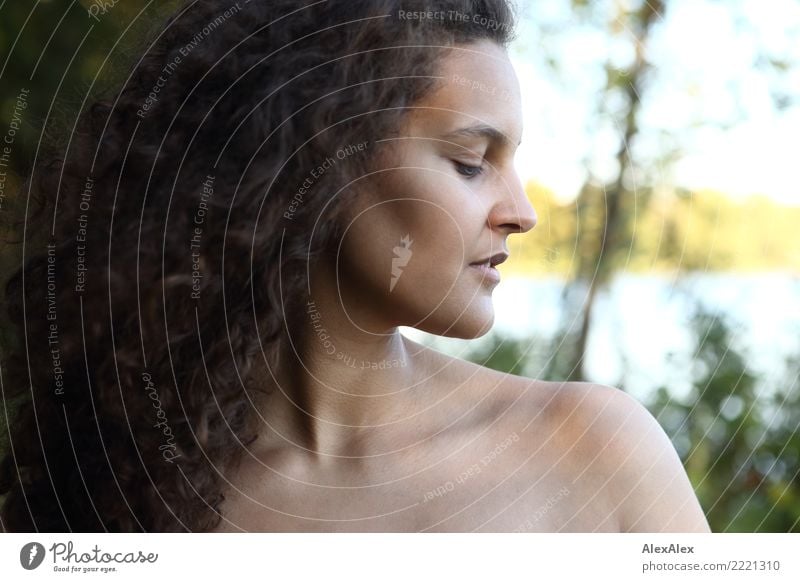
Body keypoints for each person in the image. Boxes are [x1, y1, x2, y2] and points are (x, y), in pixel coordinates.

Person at [0, 0, 710, 533]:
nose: (521, 211)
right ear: (318, 157)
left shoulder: (595, 452)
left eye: (512, 162)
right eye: (470, 162)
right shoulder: (130, 479)